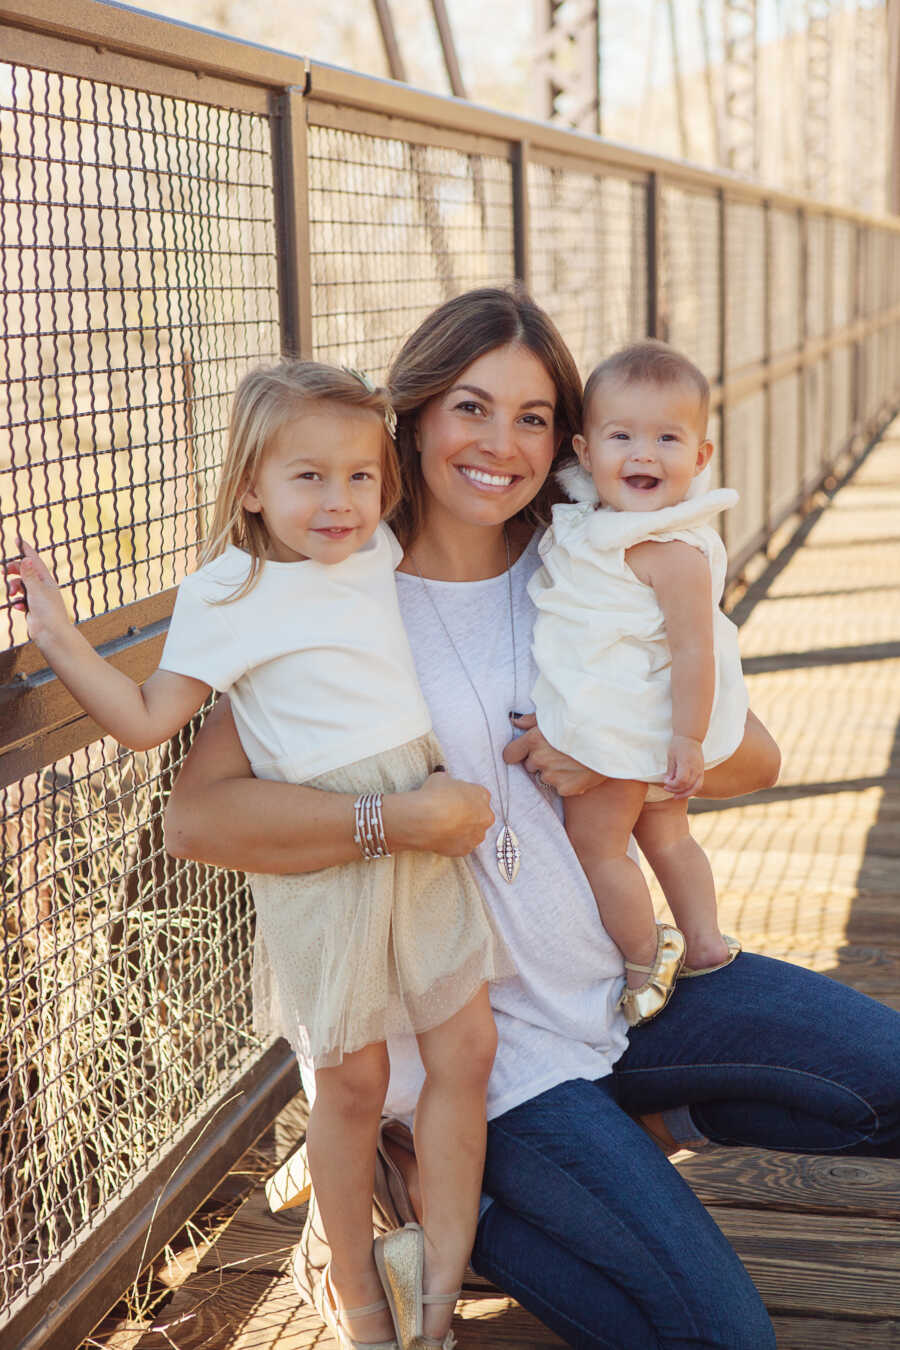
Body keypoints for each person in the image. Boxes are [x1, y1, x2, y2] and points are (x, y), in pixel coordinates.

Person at [163, 287, 900, 1350]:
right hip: (484, 1054)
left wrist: (624, 751)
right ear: (411, 416)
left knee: (881, 1078)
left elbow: (754, 759)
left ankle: (633, 1124)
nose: (499, 444)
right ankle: (422, 1183)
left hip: (620, 988)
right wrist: (402, 818)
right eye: (470, 407)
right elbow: (201, 820)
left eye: (534, 416)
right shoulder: (334, 585)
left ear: (566, 436)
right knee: (719, 1335)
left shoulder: (594, 559)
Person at [6, 360, 513, 1350]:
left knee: (469, 1047)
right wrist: (63, 636)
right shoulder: (228, 591)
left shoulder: (382, 555)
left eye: (359, 477)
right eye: (308, 477)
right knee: (352, 1081)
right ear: (250, 486)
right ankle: (366, 1304)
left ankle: (439, 1293)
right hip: (323, 860)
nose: (339, 500)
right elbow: (153, 722)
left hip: (420, 822)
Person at [528, 340, 749, 1028]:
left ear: (701, 458)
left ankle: (646, 955)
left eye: (667, 438)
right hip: (632, 722)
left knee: (598, 847)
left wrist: (685, 736)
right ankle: (707, 942)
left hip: (623, 727)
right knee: (666, 836)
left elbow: (695, 650)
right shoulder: (593, 525)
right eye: (621, 435)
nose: (643, 454)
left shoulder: (675, 550)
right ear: (585, 453)